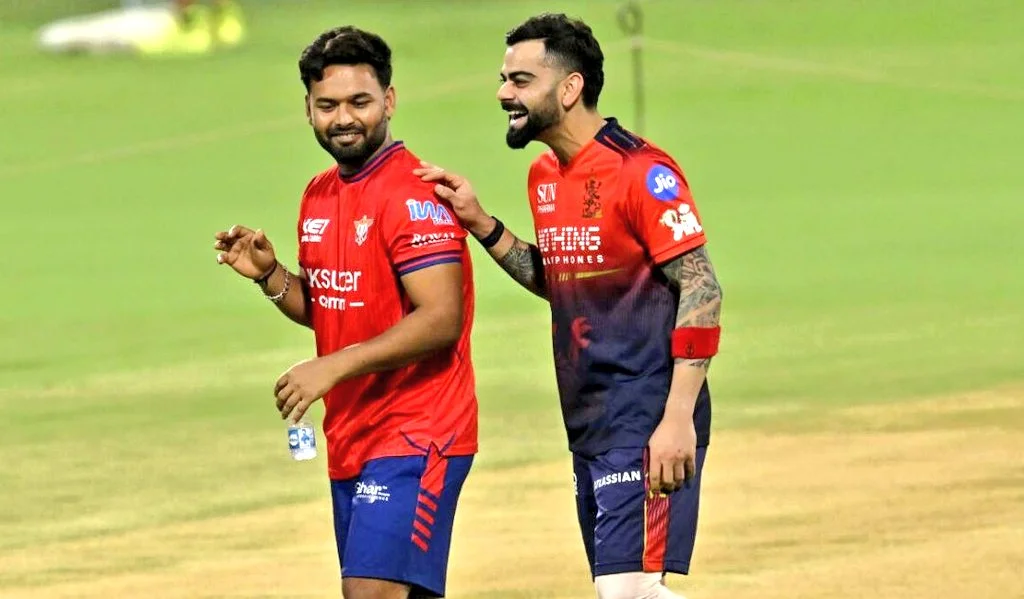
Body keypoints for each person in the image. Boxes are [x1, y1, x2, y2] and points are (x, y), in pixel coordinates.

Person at [415, 13, 723, 599]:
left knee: (625, 591)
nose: (503, 92)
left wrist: (678, 417)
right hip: (588, 418)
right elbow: (563, 279)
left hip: (647, 413)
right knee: (631, 592)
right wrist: (481, 224)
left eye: (521, 79)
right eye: (504, 77)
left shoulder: (642, 172)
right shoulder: (543, 175)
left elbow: (702, 289)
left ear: (570, 87)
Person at [213, 26, 477, 599]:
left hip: (419, 432)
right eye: (327, 105)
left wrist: (331, 367)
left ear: (389, 100)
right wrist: (270, 276)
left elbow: (440, 318)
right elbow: (337, 308)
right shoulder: (319, 193)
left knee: (369, 592)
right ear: (307, 108)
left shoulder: (411, 193)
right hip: (354, 432)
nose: (343, 118)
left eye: (359, 102)